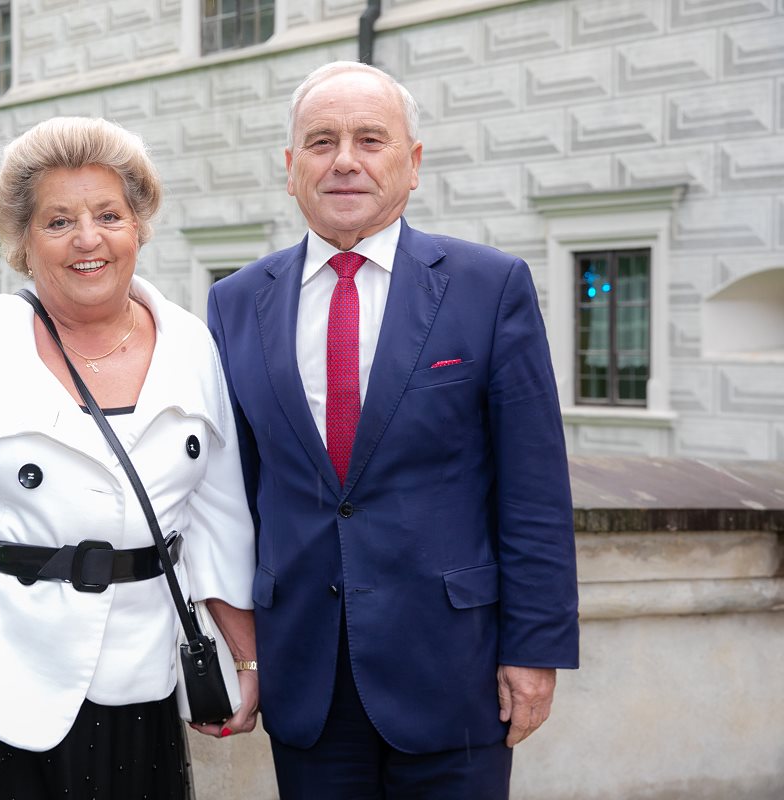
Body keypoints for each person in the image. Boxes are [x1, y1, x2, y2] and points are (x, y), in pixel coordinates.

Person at [207, 61, 579, 798]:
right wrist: (241, 651)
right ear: (290, 168)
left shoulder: (489, 287)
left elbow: (534, 489)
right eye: (322, 142)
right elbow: (232, 498)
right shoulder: (236, 302)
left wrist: (534, 649)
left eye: (370, 139)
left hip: (456, 670)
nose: (344, 160)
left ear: (413, 164)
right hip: (303, 670)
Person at [0, 116, 259, 800]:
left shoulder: (192, 346)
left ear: (138, 227)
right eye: (58, 221)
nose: (87, 239)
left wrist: (246, 659)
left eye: (108, 215)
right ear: (23, 242)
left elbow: (219, 520)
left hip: (141, 682)